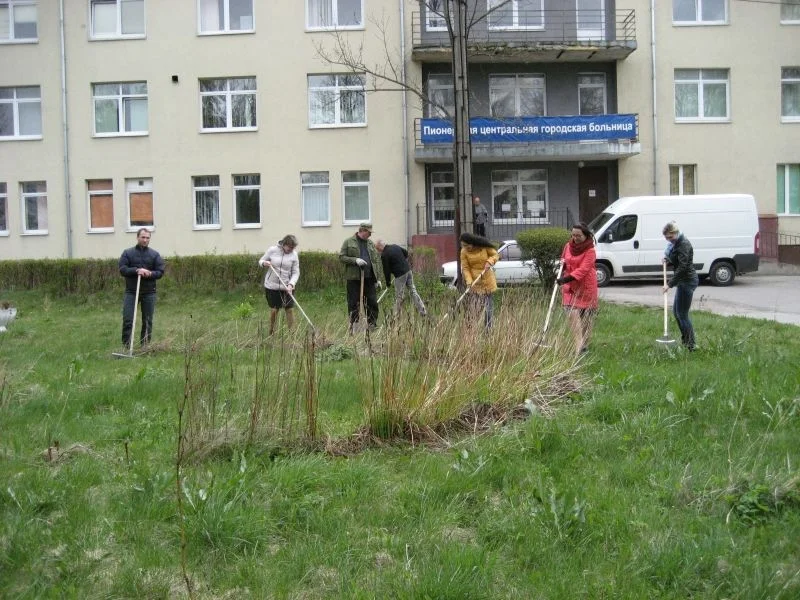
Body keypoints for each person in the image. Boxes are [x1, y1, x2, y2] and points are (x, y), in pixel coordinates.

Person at [119, 228, 165, 349]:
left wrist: (150, 273)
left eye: (147, 238)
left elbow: (160, 272)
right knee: (128, 319)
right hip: (131, 292)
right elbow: (122, 269)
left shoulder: (154, 255)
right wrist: (136, 270)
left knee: (147, 320)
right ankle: (127, 346)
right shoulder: (127, 253)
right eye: (143, 237)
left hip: (149, 292)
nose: (145, 240)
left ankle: (144, 346)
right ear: (137, 237)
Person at [557, 222, 598, 355]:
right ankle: (578, 346)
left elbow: (583, 270)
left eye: (578, 235)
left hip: (585, 287)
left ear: (586, 235)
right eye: (573, 235)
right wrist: (562, 265)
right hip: (570, 287)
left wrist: (565, 279)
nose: (575, 238)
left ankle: (585, 344)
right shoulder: (568, 246)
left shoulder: (590, 251)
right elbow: (564, 259)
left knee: (586, 318)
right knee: (572, 313)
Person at [339, 222, 384, 332]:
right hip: (354, 278)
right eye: (369, 232)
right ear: (362, 231)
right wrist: (355, 260)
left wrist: (378, 279)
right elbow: (342, 257)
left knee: (372, 302)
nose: (370, 235)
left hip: (369, 278)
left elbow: (375, 261)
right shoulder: (349, 242)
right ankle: (355, 326)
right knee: (353, 302)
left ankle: (372, 325)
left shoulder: (370, 243)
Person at [662, 221, 698, 350]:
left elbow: (683, 267)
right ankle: (686, 340)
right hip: (683, 281)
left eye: (670, 237)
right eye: (667, 238)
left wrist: (669, 284)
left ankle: (691, 345)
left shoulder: (684, 244)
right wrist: (668, 261)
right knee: (677, 313)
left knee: (682, 314)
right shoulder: (677, 243)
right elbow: (678, 261)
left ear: (676, 233)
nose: (669, 240)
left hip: (687, 281)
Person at [374, 239, 427, 318]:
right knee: (413, 291)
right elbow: (406, 253)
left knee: (399, 296)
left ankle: (396, 316)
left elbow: (386, 270)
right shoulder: (395, 246)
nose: (379, 252)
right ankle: (422, 311)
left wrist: (388, 283)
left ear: (380, 247)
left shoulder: (384, 255)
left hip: (400, 275)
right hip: (408, 271)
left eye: (378, 250)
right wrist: (400, 261)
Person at [258, 235, 300, 335]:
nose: (291, 250)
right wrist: (264, 263)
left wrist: (291, 284)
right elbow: (261, 261)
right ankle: (272, 332)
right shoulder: (272, 250)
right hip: (272, 286)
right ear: (284, 244)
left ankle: (292, 333)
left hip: (287, 287)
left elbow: (295, 272)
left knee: (289, 309)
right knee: (274, 310)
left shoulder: (294, 255)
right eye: (290, 247)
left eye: (293, 248)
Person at [459, 232, 499, 328]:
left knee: (488, 311)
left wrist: (490, 262)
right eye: (463, 246)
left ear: (472, 242)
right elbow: (465, 268)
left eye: (467, 245)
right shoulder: (464, 252)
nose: (465, 247)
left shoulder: (483, 246)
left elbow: (495, 255)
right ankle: (471, 331)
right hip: (475, 284)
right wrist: (469, 281)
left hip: (488, 282)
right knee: (475, 311)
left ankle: (488, 331)